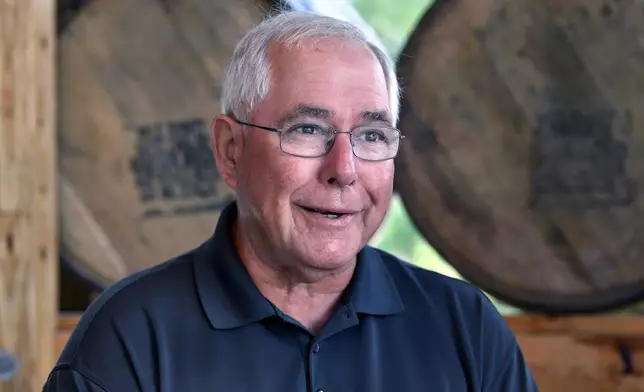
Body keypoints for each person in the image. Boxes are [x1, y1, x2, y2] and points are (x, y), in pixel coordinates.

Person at [43, 10, 539, 392]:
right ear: (230, 150)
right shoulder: (128, 337)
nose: (343, 169)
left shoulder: (465, 327)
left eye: (371, 134)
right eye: (307, 129)